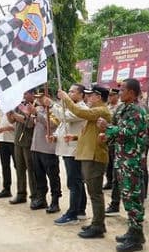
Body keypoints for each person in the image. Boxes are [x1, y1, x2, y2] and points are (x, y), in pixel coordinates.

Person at [97, 78, 148, 252]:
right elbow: (118, 129)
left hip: (132, 162)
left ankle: (136, 237)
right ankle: (133, 232)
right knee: (127, 198)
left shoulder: (137, 110)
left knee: (133, 199)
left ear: (132, 93)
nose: (119, 93)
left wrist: (107, 128)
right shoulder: (123, 108)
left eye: (122, 90)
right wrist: (108, 134)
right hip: (122, 159)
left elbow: (129, 132)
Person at [58, 85, 112, 239]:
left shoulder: (101, 110)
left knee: (95, 193)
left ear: (99, 97)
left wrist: (66, 98)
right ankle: (97, 223)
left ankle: (98, 226)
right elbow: (90, 134)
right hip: (90, 155)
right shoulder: (96, 112)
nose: (88, 98)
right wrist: (75, 138)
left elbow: (79, 111)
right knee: (93, 192)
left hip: (94, 157)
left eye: (91, 95)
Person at [48, 84, 88, 225]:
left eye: (72, 92)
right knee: (77, 181)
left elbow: (66, 118)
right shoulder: (71, 108)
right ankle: (80, 210)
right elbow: (63, 126)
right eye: (68, 91)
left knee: (74, 182)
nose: (68, 94)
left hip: (74, 150)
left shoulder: (82, 108)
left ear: (81, 95)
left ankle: (73, 214)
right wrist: (55, 136)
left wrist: (52, 105)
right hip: (67, 149)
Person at [28, 92, 61, 213]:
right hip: (36, 146)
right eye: (36, 97)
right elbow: (30, 125)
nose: (38, 100)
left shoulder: (55, 109)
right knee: (39, 175)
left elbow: (52, 125)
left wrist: (37, 114)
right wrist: (31, 114)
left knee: (53, 176)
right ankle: (41, 198)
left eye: (40, 97)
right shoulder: (38, 108)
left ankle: (55, 201)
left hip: (48, 149)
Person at [7, 89, 37, 205]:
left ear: (32, 94)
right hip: (18, 140)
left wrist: (15, 114)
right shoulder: (19, 105)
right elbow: (11, 120)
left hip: (29, 142)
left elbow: (29, 123)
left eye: (26, 93)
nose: (23, 96)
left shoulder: (35, 106)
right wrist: (8, 110)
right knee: (19, 168)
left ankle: (34, 195)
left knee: (31, 170)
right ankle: (21, 193)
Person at [0, 104, 16, 198]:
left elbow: (15, 126)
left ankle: (21, 191)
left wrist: (3, 129)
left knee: (18, 166)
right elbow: (0, 124)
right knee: (5, 166)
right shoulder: (2, 108)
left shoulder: (15, 107)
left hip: (13, 141)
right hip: (3, 140)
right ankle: (6, 189)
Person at [104, 88, 120, 190]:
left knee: (115, 162)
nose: (110, 97)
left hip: (116, 138)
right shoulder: (107, 107)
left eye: (112, 95)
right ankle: (109, 181)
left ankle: (116, 182)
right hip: (107, 138)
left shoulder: (119, 108)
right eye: (109, 95)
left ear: (117, 96)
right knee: (108, 162)